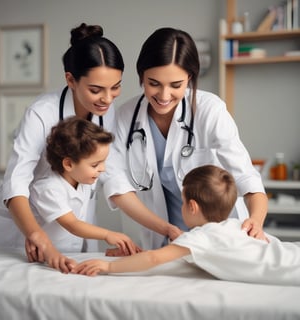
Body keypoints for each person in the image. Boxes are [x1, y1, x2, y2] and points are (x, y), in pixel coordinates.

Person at [102, 27, 268, 250]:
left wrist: (255, 221)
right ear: (141, 75)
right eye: (154, 83)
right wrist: (166, 230)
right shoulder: (125, 116)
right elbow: (117, 186)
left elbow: (247, 178)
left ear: (189, 78)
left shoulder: (210, 111)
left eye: (176, 85)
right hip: (164, 238)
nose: (163, 95)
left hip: (219, 236)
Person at [0, 22, 127, 272]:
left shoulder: (106, 112)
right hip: (24, 233)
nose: (107, 98)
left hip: (73, 227)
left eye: (115, 87)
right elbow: (16, 181)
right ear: (71, 79)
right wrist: (37, 236)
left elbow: (111, 172)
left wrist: (161, 227)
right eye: (96, 90)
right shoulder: (42, 113)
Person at [71, 165, 300, 286]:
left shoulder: (202, 237)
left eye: (181, 202)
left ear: (192, 207)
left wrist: (108, 266)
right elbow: (166, 256)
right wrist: (130, 255)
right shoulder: (237, 225)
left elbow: (155, 259)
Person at [26, 116, 139, 254]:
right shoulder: (48, 189)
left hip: (69, 254)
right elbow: (72, 224)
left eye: (103, 162)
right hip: (43, 257)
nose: (102, 169)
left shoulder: (82, 179)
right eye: (95, 164)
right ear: (68, 164)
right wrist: (107, 235)